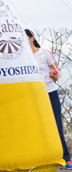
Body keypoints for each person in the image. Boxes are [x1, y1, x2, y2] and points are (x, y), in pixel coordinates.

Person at [26, 29, 70, 167]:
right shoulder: (24, 57)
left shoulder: (44, 53)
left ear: (32, 38)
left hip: (50, 93)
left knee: (57, 125)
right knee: (37, 126)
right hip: (34, 95)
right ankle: (42, 157)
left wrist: (54, 75)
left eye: (24, 38)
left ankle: (66, 157)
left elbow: (57, 73)